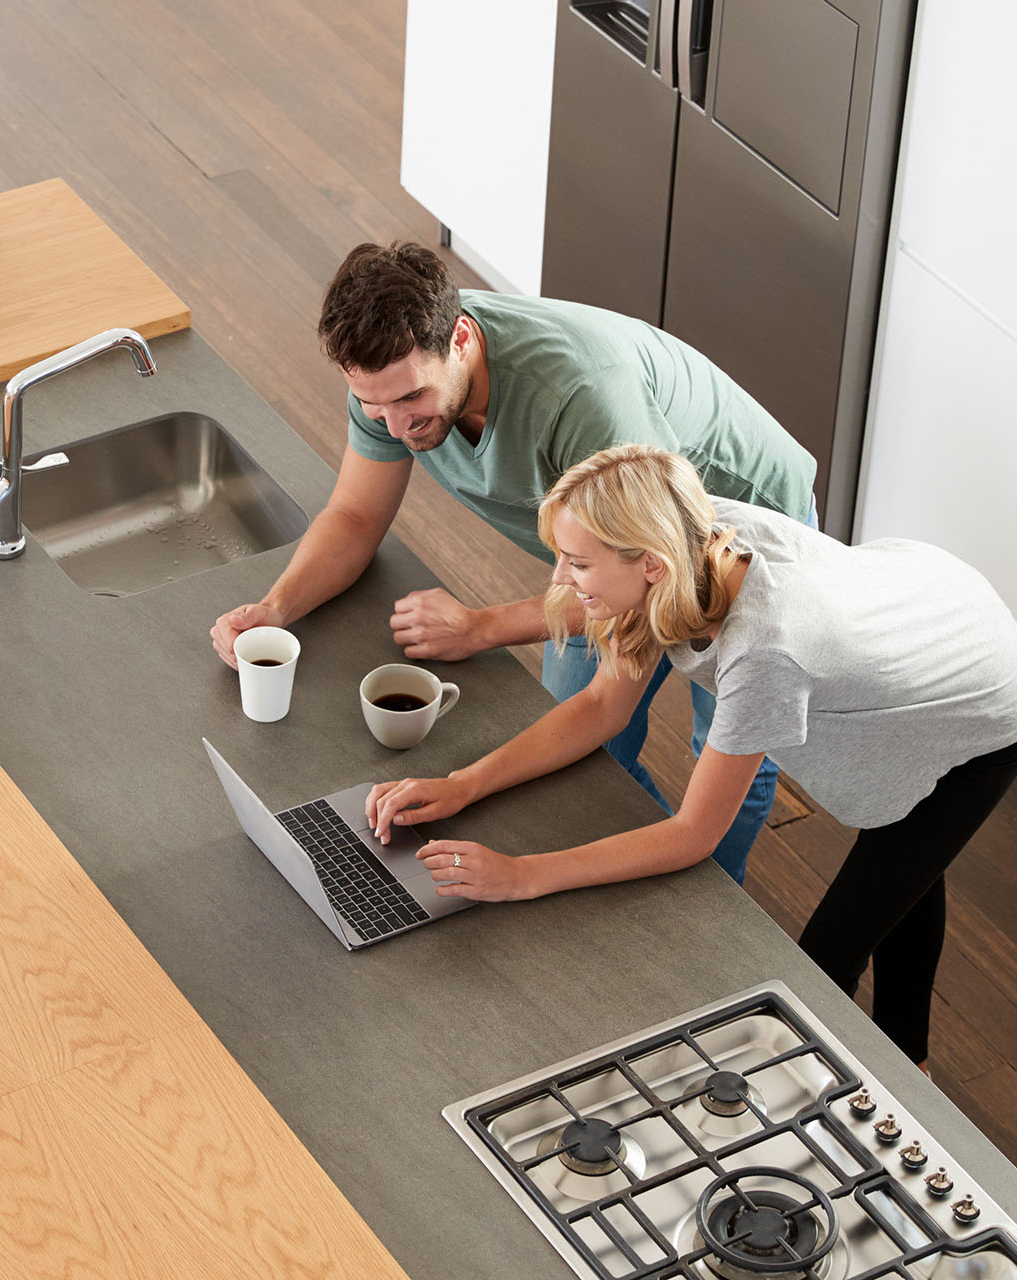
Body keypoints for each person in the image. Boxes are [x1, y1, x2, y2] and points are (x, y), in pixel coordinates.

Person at [363, 445, 1017, 1068]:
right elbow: (604, 707)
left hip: (977, 696)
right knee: (904, 852)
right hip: (917, 607)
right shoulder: (681, 531)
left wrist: (522, 875)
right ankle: (909, 1056)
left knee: (827, 960)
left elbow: (692, 835)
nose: (562, 584)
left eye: (578, 562)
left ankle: (894, 1077)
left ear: (648, 565)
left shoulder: (765, 649)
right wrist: (463, 784)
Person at [210, 242, 816, 882]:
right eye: (370, 404)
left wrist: (481, 627)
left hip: (725, 541)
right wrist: (275, 610)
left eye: (410, 399)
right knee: (576, 733)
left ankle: (713, 904)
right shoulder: (389, 383)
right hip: (603, 562)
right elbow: (357, 517)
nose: (392, 426)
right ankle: (668, 866)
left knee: (722, 746)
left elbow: (656, 571)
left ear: (462, 339)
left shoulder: (582, 399)